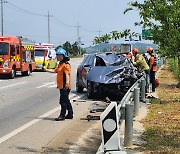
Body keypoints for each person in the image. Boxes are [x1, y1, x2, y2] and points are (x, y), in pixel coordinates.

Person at [43, 47, 73, 121]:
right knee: (66, 100)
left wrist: (67, 83)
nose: (58, 57)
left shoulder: (66, 65)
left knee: (62, 101)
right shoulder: (60, 64)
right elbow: (55, 71)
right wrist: (46, 69)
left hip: (65, 86)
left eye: (60, 55)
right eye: (58, 55)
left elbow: (67, 75)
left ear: (64, 56)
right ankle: (70, 113)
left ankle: (62, 115)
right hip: (61, 86)